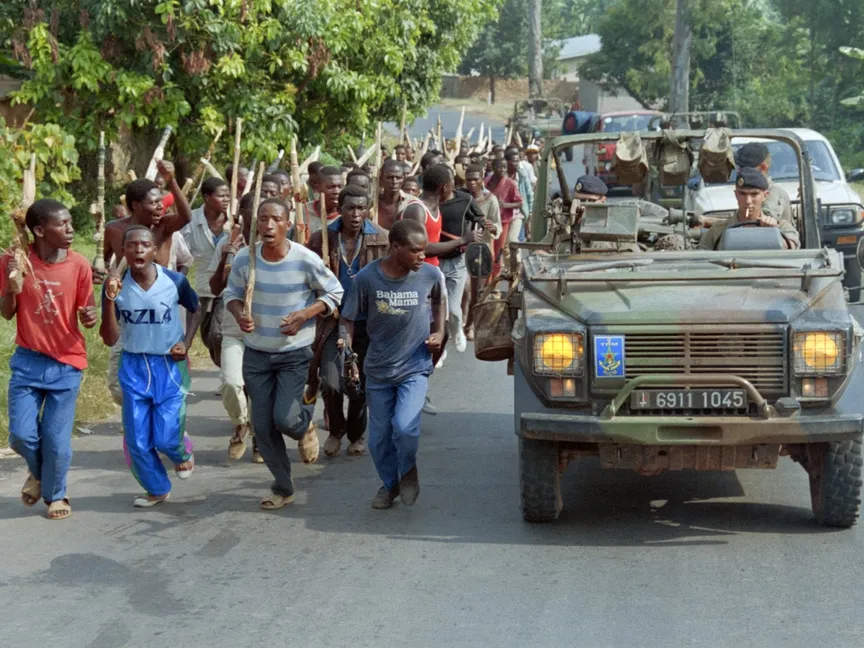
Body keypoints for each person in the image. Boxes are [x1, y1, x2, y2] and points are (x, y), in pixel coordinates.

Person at [224, 198, 343, 510]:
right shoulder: (245, 259)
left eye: (275, 219)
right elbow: (230, 294)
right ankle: (283, 487)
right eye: (263, 219)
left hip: (294, 353)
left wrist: (305, 314)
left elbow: (335, 292)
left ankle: (304, 425)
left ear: (287, 224)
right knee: (262, 428)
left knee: (286, 419)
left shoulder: (304, 259)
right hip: (257, 354)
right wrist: (239, 313)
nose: (269, 225)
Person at [1, 199, 97, 520]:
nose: (70, 229)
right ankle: (41, 473)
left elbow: (87, 314)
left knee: (56, 440)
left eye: (70, 223)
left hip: (67, 363)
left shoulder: (79, 265)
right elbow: (7, 313)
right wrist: (11, 286)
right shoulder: (15, 260)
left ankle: (56, 494)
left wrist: (89, 316)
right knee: (21, 435)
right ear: (40, 231)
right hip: (28, 361)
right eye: (62, 224)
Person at [339, 219, 445, 509]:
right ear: (395, 247)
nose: (422, 256)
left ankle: (408, 470)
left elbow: (439, 302)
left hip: (414, 367)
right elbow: (347, 318)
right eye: (415, 251)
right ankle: (389, 484)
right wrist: (348, 354)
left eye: (424, 250)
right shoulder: (366, 278)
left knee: (405, 427)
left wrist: (439, 332)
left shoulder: (430, 274)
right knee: (378, 439)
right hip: (378, 370)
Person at [99, 226, 199, 507]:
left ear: (155, 251)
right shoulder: (116, 287)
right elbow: (109, 338)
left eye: (145, 245)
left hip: (169, 366)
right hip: (133, 366)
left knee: (166, 438)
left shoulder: (174, 281)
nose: (138, 249)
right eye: (131, 245)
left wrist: (186, 343)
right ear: (123, 251)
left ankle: (181, 452)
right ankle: (157, 488)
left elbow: (196, 309)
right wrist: (109, 299)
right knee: (137, 439)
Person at [306, 185, 389, 457]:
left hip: (368, 321)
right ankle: (335, 430)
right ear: (339, 209)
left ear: (368, 210)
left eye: (361, 208)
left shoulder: (381, 239)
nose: (355, 214)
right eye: (350, 208)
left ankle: (356, 434)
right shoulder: (322, 238)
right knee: (330, 380)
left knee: (360, 382)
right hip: (332, 320)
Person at [208, 193, 262, 463]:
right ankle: (241, 423)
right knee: (231, 382)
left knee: (260, 391)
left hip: (267, 333)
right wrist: (225, 257)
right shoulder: (228, 243)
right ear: (242, 214)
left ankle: (260, 440)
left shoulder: (281, 245)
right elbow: (215, 288)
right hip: (233, 329)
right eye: (254, 212)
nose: (261, 220)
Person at [438, 167, 487, 353]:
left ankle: (458, 328)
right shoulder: (429, 201)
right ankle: (440, 348)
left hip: (457, 261)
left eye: (446, 183)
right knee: (436, 309)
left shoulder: (465, 199)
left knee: (453, 309)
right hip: (434, 260)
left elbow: (480, 219)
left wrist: (477, 233)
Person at [697, 167, 800, 251]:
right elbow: (701, 260)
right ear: (736, 194)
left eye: (754, 194)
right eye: (742, 194)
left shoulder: (782, 227)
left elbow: (792, 246)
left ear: (765, 196)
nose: (748, 201)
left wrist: (772, 233)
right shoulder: (718, 231)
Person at [462, 165, 501, 340]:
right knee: (465, 289)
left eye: (475, 179)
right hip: (461, 248)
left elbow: (497, 225)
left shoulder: (490, 200)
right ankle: (463, 320)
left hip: (481, 250)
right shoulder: (461, 198)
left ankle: (471, 325)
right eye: (469, 179)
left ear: (482, 179)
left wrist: (493, 228)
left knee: (478, 290)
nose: (472, 183)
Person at [734, 142, 794, 223]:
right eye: (739, 167)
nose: (740, 171)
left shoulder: (774, 192)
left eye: (745, 168)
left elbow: (759, 221)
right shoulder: (742, 189)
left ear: (763, 168)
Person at [485, 157, 522, 276]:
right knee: (486, 250)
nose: (502, 169)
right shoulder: (486, 182)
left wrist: (505, 205)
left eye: (504, 167)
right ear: (493, 167)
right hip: (486, 221)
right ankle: (486, 277)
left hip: (503, 222)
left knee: (498, 251)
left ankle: (494, 279)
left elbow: (519, 202)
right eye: (498, 167)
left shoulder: (510, 183)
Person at [306, 166, 345, 236]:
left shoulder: (346, 215)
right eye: (330, 187)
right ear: (318, 188)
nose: (337, 192)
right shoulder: (305, 210)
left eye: (340, 187)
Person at [377, 160, 412, 230]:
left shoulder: (411, 203)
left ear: (403, 179)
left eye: (398, 178)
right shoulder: (373, 204)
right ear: (381, 178)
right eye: (389, 177)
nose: (394, 182)